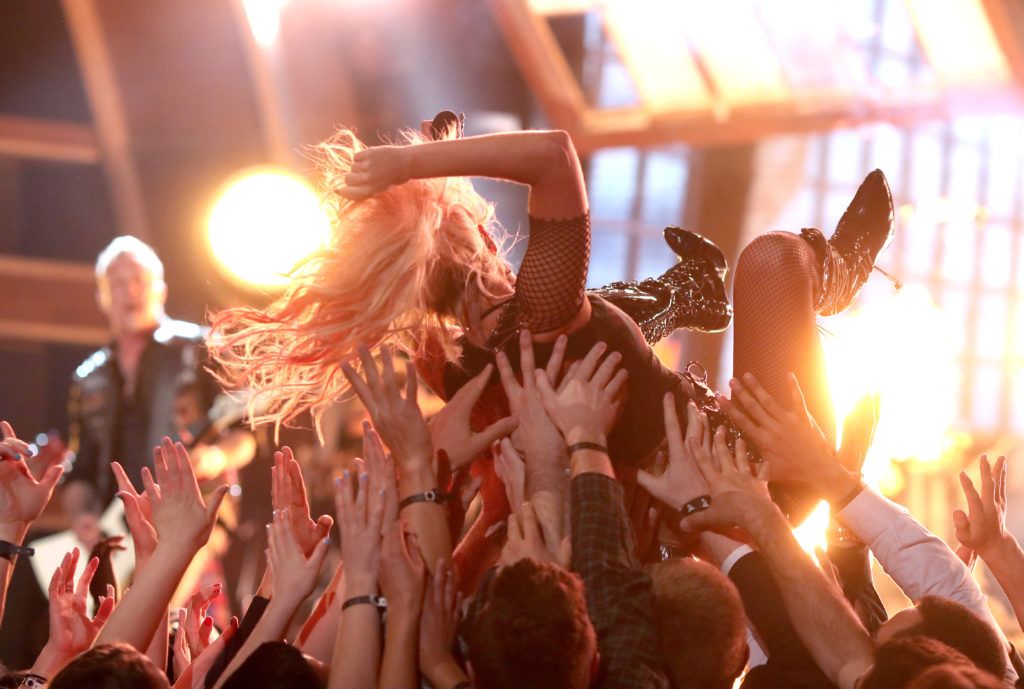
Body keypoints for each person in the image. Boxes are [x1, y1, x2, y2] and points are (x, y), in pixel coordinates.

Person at [209, 109, 894, 539]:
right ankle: (825, 276)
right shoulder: (539, 308)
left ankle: (690, 294)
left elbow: (408, 295)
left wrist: (410, 204)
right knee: (773, 259)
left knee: (624, 312)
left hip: (704, 498)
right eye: (481, 220)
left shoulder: (451, 363)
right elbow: (555, 155)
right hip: (762, 468)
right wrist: (413, 166)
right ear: (475, 238)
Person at [65, 236, 255, 544]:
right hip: (116, 532)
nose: (130, 291)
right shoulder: (88, 377)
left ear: (162, 290)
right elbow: (81, 468)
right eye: (118, 283)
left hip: (194, 521)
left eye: (140, 280)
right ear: (102, 296)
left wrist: (215, 457)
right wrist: (81, 517)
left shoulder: (202, 349)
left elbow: (245, 436)